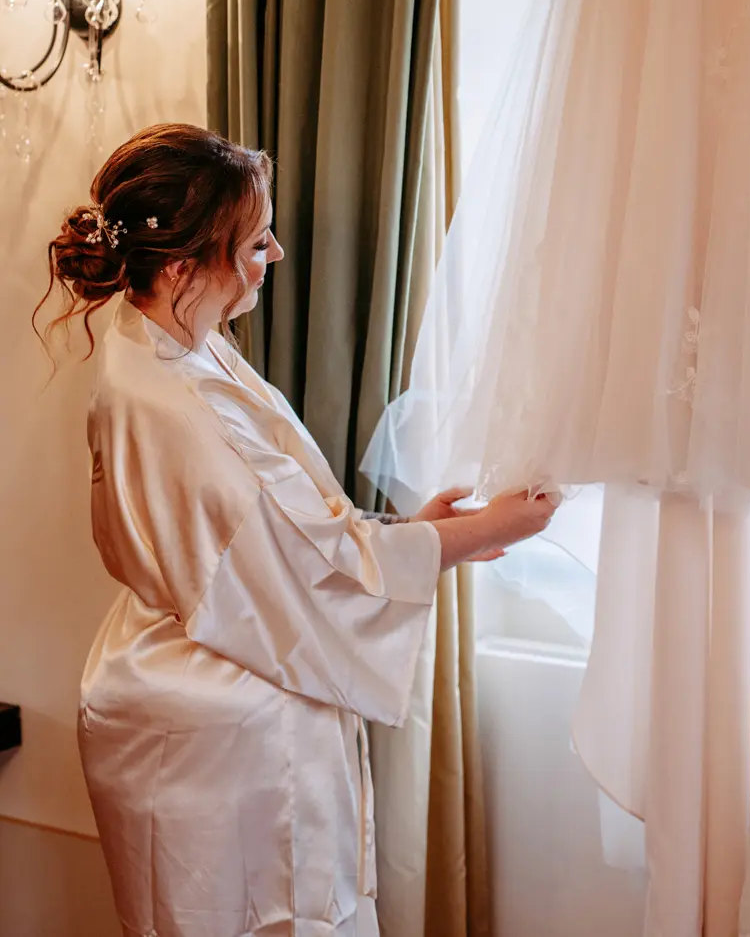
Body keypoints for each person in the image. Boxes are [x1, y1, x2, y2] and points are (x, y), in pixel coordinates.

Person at [37, 122, 555, 937]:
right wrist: (488, 529)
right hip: (218, 714)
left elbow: (280, 530)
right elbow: (299, 566)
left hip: (198, 675)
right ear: (180, 268)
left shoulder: (174, 345)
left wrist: (409, 530)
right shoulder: (172, 403)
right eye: (255, 242)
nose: (274, 254)